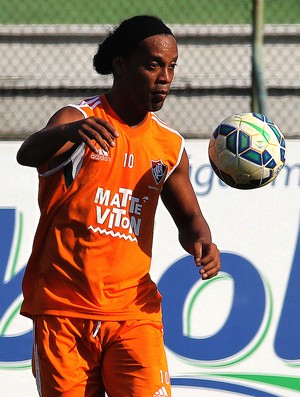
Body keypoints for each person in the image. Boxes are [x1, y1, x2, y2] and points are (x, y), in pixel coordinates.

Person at [17, 15, 221, 397]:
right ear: (120, 65)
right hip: (64, 312)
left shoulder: (168, 146)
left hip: (133, 312)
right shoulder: (78, 119)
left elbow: (190, 217)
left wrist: (203, 241)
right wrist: (67, 132)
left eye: (171, 66)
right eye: (153, 64)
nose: (165, 77)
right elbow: (27, 153)